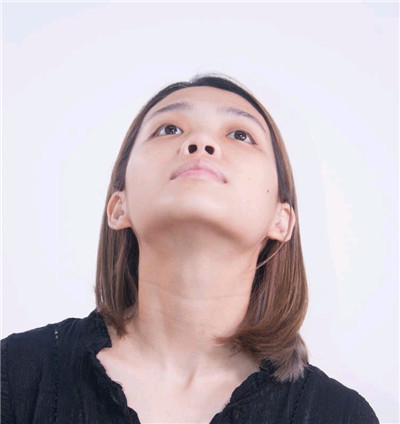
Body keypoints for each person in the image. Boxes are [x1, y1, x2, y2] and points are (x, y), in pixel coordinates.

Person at [1, 74, 379, 424]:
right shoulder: (15, 374)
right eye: (169, 129)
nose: (200, 144)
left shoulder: (341, 416)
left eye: (240, 134)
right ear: (119, 206)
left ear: (281, 220)